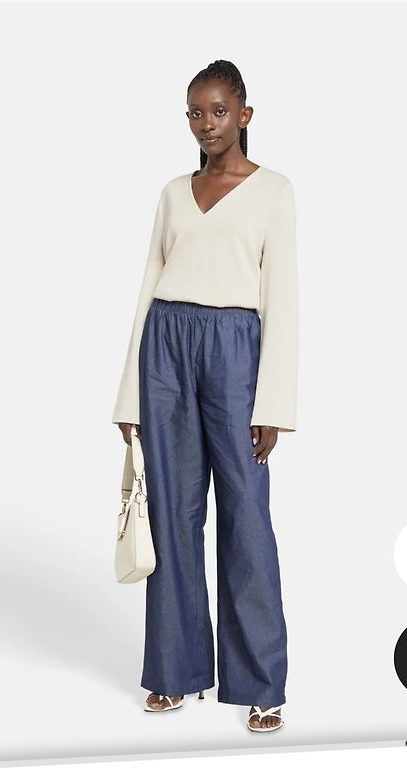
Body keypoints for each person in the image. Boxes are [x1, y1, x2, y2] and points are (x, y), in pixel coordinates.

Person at [111, 59, 298, 733]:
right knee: (172, 513)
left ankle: (260, 683)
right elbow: (149, 283)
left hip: (235, 349)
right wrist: (129, 395)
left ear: (244, 115)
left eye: (218, 111)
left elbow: (283, 296)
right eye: (195, 112)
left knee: (246, 517)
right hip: (165, 345)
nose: (206, 123)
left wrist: (274, 405)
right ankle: (174, 672)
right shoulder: (172, 192)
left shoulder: (273, 190)